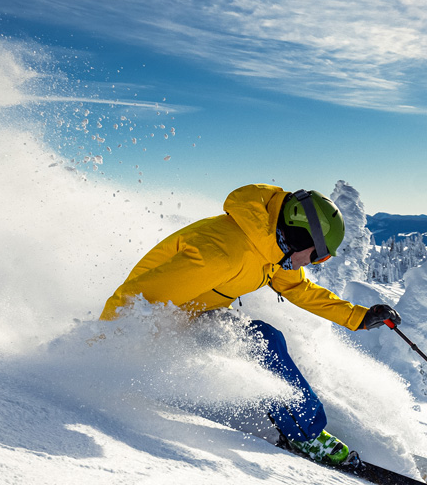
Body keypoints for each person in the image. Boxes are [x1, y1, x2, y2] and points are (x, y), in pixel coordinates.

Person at [101, 184, 397, 468]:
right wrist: (99, 354)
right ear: (298, 237)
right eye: (318, 255)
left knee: (265, 338)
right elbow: (133, 300)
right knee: (264, 342)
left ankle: (292, 420)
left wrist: (357, 316)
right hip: (167, 327)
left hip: (199, 314)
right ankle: (305, 436)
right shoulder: (222, 255)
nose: (315, 263)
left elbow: (299, 289)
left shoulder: (268, 246)